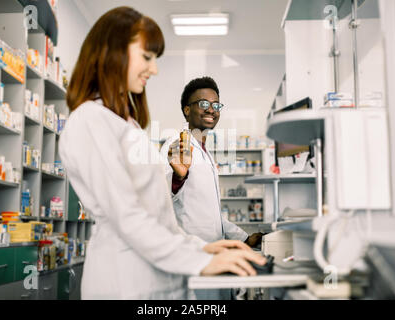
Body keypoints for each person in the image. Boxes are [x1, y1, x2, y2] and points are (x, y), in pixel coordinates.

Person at [59, 6, 266, 300]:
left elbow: (158, 216)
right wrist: (200, 259)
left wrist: (202, 247)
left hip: (155, 279)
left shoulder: (124, 124)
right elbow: (128, 217)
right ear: (112, 52)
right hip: (124, 282)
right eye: (146, 57)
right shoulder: (90, 121)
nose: (154, 69)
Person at [160, 77, 263, 299]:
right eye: (204, 104)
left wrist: (244, 238)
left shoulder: (204, 152)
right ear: (187, 110)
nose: (212, 110)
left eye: (216, 105)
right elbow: (162, 197)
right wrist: (179, 177)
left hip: (213, 257)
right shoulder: (176, 145)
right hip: (192, 259)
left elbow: (210, 212)